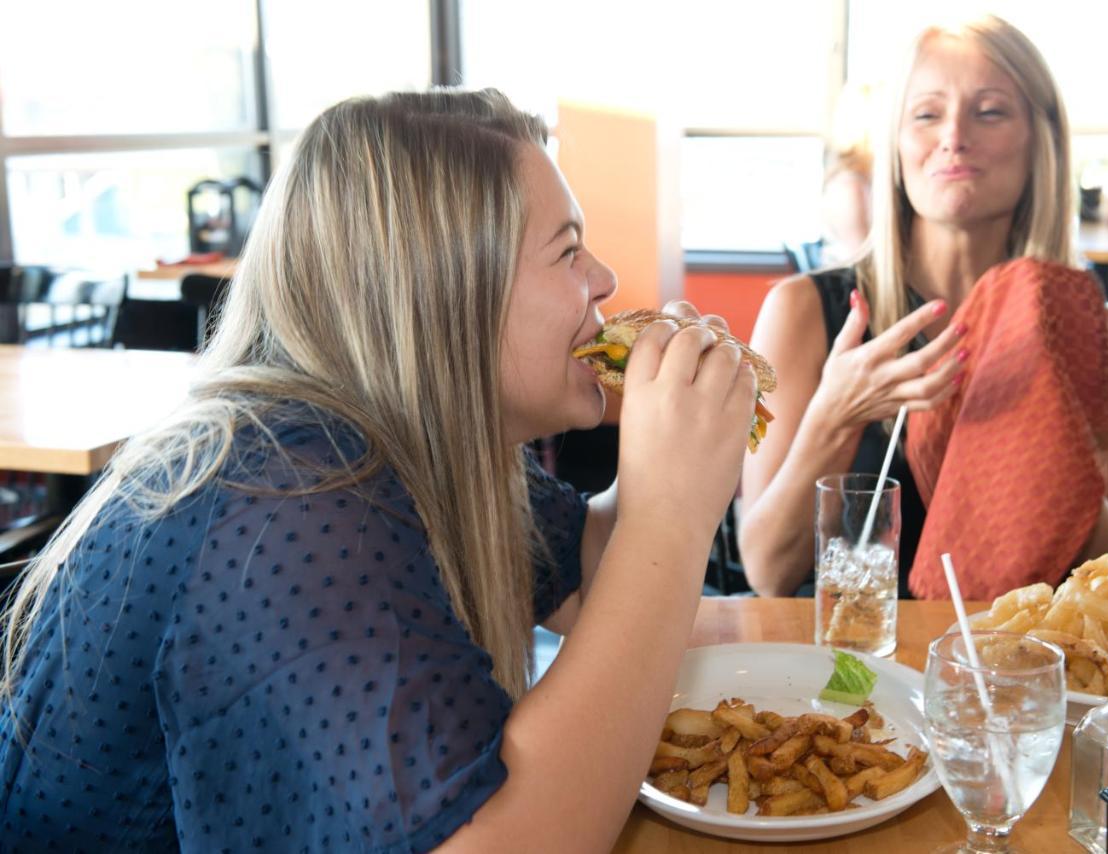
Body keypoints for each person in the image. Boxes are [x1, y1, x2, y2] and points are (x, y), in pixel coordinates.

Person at [0, 89, 757, 851]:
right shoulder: (287, 502)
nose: (605, 278)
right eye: (567, 250)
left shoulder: (409, 438)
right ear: (444, 289)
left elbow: (586, 581)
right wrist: (670, 514)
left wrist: (673, 462)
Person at [739, 15, 1108, 599]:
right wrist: (834, 416)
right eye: (926, 114)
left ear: (1041, 142)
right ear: (897, 146)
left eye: (990, 112)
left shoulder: (1099, 335)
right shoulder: (803, 311)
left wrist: (1055, 453)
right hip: (851, 673)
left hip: (1016, 675)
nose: (953, 136)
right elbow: (765, 571)